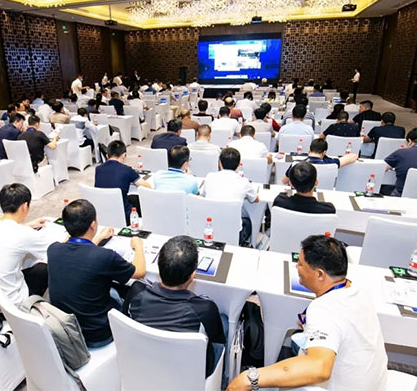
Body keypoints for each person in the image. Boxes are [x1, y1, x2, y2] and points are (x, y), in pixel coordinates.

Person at [228, 235, 388, 391]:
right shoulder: (357, 290)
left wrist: (250, 378)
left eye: (301, 264)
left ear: (320, 274)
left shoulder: (323, 310)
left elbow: (319, 368)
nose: (297, 268)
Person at [123, 236, 227, 378]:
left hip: (143, 363)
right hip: (189, 374)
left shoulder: (137, 291)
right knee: (224, 322)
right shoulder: (205, 309)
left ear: (159, 266)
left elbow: (126, 318)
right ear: (192, 275)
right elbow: (217, 340)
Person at [47, 199, 146, 347]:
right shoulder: (105, 256)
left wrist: (98, 238)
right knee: (132, 288)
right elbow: (140, 271)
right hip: (98, 336)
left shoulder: (53, 249)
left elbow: (77, 252)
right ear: (93, 225)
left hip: (67, 331)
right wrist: (138, 247)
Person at [0, 183, 53, 305]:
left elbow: (5, 231)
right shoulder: (24, 233)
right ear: (24, 206)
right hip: (12, 303)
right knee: (44, 268)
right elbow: (53, 250)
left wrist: (27, 225)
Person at [201, 148, 259, 244]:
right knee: (248, 221)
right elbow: (255, 199)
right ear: (239, 165)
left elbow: (203, 194)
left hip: (209, 229)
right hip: (235, 234)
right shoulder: (244, 182)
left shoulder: (209, 177)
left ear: (219, 163)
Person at [95, 140, 151, 221]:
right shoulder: (127, 170)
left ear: (107, 156)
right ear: (124, 155)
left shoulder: (98, 169)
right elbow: (146, 186)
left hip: (102, 211)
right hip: (124, 214)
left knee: (132, 198)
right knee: (139, 200)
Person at [282, 138, 357, 185]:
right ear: (324, 152)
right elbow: (353, 156)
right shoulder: (331, 163)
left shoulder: (297, 164)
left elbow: (284, 181)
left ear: (309, 150)